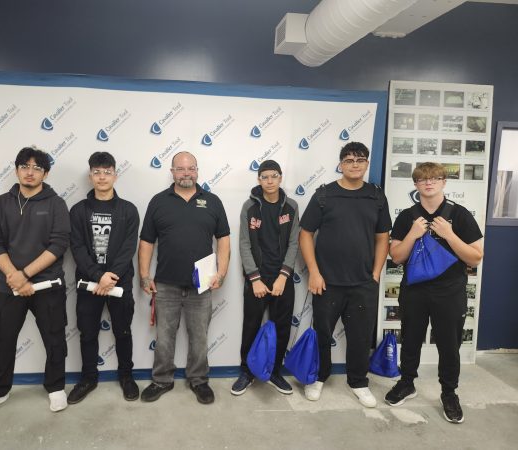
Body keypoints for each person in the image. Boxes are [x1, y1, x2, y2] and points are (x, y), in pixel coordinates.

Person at [384, 162, 483, 424]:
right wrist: (413, 234)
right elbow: (396, 256)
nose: (429, 183)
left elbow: (475, 257)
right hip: (414, 290)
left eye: (435, 178)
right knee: (411, 338)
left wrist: (449, 234)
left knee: (449, 345)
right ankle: (407, 383)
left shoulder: (459, 215)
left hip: (450, 292)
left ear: (443, 183)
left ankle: (449, 393)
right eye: (422, 179)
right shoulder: (407, 216)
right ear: (416, 185)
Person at [0, 147, 71, 417]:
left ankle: (55, 388)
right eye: (25, 166)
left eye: (37, 168)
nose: (30, 172)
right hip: (10, 286)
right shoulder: (1, 203)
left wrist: (25, 274)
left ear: (46, 173)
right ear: (16, 169)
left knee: (54, 339)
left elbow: (59, 244)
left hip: (47, 285)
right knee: (2, 339)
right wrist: (14, 277)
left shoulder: (56, 204)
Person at [299, 142, 391, 407]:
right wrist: (314, 273)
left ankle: (358, 382)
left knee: (360, 336)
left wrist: (375, 274)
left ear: (366, 164)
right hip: (326, 282)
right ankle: (318, 377)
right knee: (323, 334)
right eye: (349, 159)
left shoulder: (376, 196)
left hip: (363, 282)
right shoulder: (324, 196)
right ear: (340, 163)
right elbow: (305, 234)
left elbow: (382, 237)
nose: (354, 164)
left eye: (360, 160)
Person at [138, 151, 230, 404]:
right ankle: (161, 380)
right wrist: (144, 276)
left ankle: (199, 381)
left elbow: (223, 239)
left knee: (199, 336)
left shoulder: (212, 201)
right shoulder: (158, 201)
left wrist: (221, 273)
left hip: (201, 283)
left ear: (197, 171)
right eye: (181, 169)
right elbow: (146, 241)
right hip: (166, 283)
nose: (186, 173)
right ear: (172, 171)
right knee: (165, 336)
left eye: (191, 168)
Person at [67, 152, 140, 404]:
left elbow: (129, 248)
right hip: (89, 284)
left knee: (123, 331)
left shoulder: (128, 210)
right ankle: (88, 378)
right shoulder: (78, 211)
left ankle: (126, 377)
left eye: (107, 172)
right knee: (87, 333)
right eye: (97, 172)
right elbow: (77, 248)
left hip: (120, 283)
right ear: (90, 176)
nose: (102, 177)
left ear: (115, 175)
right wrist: (98, 276)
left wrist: (111, 277)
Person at [231, 160, 299, 396]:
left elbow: (293, 243)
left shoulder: (291, 206)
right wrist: (255, 278)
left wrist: (283, 276)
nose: (269, 181)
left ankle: (275, 372)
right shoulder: (249, 207)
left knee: (282, 327)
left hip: (282, 278)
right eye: (264, 177)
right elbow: (244, 244)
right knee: (251, 325)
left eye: (274, 176)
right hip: (257, 279)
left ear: (280, 178)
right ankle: (246, 372)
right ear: (259, 179)